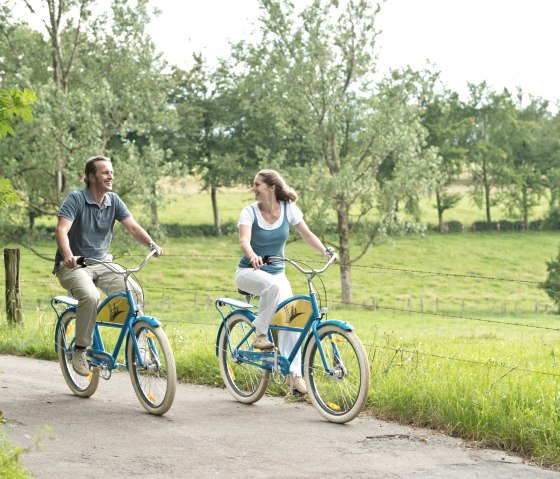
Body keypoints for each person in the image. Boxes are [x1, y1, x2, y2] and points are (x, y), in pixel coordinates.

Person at [53, 155, 162, 377]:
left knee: (135, 291)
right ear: (91, 177)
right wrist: (68, 256)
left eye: (111, 172)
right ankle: (81, 349)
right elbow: (61, 230)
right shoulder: (75, 199)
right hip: (75, 265)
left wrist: (152, 244)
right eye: (105, 172)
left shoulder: (114, 200)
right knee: (91, 297)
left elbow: (132, 227)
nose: (110, 176)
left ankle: (139, 346)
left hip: (102, 262)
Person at [235, 169, 333, 395]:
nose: (254, 188)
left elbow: (307, 234)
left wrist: (325, 251)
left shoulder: (289, 209)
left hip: (277, 274)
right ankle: (260, 334)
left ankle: (296, 377)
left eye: (257, 184)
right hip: (249, 271)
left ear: (272, 188)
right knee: (273, 287)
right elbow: (244, 241)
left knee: (293, 319)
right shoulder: (249, 212)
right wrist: (253, 256)